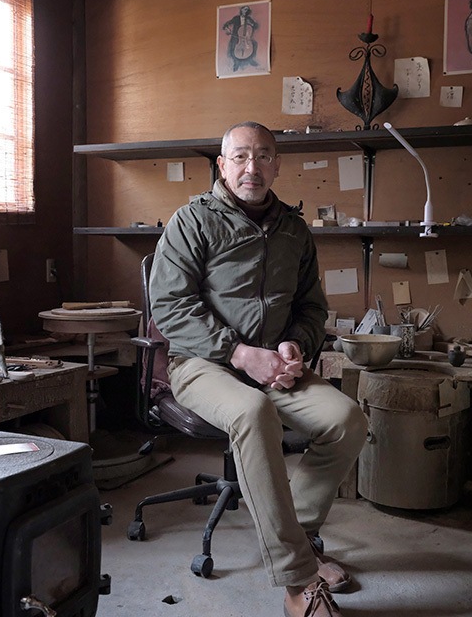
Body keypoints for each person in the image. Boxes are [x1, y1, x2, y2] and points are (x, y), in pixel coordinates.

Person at [149, 121, 367, 617]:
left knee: (347, 420)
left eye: (264, 156)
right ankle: (298, 581)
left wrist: (295, 344)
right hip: (202, 363)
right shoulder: (192, 221)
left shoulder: (294, 228)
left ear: (277, 165)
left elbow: (312, 309)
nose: (253, 167)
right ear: (222, 166)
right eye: (241, 157)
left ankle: (297, 532)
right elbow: (170, 307)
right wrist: (241, 353)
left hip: (275, 363)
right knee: (252, 413)